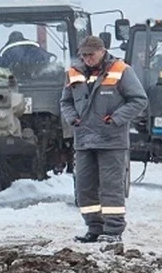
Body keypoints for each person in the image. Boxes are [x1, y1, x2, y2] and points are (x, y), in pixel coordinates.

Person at [60, 35, 148, 243]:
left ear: (102, 51)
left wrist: (116, 119)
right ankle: (94, 228)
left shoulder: (121, 70)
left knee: (111, 187)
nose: (87, 59)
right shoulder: (73, 73)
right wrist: (73, 118)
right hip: (84, 140)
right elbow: (65, 102)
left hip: (111, 141)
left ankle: (113, 230)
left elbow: (139, 100)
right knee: (85, 187)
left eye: (91, 55)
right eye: (84, 55)